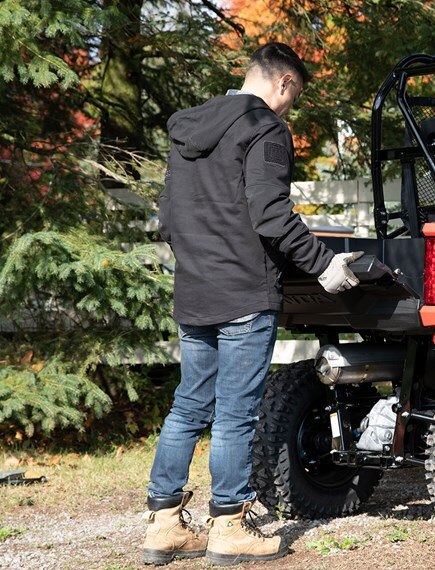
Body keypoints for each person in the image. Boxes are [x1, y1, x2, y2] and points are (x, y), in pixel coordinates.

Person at [142, 42, 361, 566]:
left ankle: (163, 524)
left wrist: (199, 263)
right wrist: (324, 265)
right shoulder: (265, 127)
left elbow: (169, 219)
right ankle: (229, 525)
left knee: (189, 405)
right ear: (284, 82)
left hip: (195, 291)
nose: (291, 108)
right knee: (236, 416)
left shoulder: (191, 129)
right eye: (295, 96)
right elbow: (270, 214)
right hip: (243, 294)